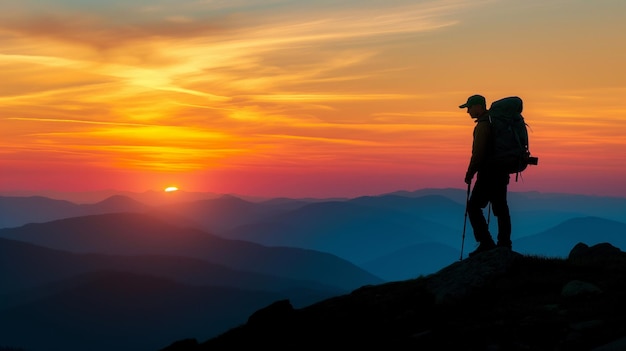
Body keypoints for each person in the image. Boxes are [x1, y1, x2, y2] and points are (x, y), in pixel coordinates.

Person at [459, 94, 512, 257]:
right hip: (501, 172)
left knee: (473, 207)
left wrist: (470, 173)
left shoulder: (483, 125)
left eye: (469, 107)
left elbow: (478, 153)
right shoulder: (494, 122)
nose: (468, 111)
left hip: (488, 174)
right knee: (501, 208)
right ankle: (504, 243)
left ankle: (486, 242)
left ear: (479, 106)